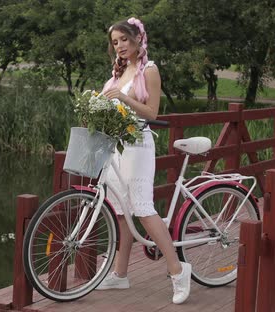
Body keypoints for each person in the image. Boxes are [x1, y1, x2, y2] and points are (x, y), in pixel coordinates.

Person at [95, 17, 192, 305]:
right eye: (115, 42)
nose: (120, 46)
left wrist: (123, 100)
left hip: (138, 146)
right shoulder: (118, 73)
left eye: (124, 39)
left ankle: (177, 269)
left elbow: (151, 112)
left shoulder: (149, 70)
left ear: (138, 39)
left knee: (142, 208)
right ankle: (120, 274)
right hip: (116, 147)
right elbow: (108, 104)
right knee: (121, 211)